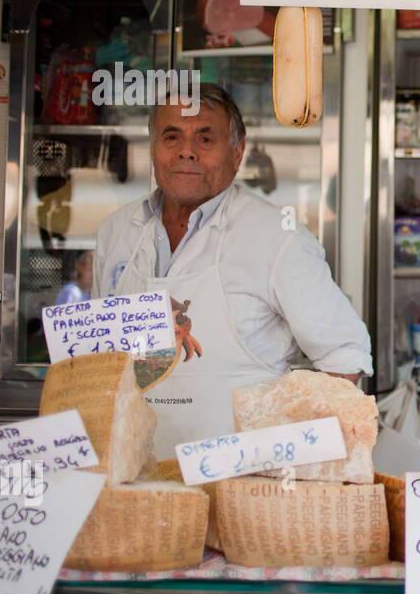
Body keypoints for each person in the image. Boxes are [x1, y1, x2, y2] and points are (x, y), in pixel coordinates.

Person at [92, 83, 371, 457]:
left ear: (237, 153)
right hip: (134, 480)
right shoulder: (116, 232)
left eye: (205, 139)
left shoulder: (278, 238)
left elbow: (344, 356)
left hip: (238, 483)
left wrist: (284, 455)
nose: (186, 152)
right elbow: (97, 360)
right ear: (153, 148)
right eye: (171, 136)